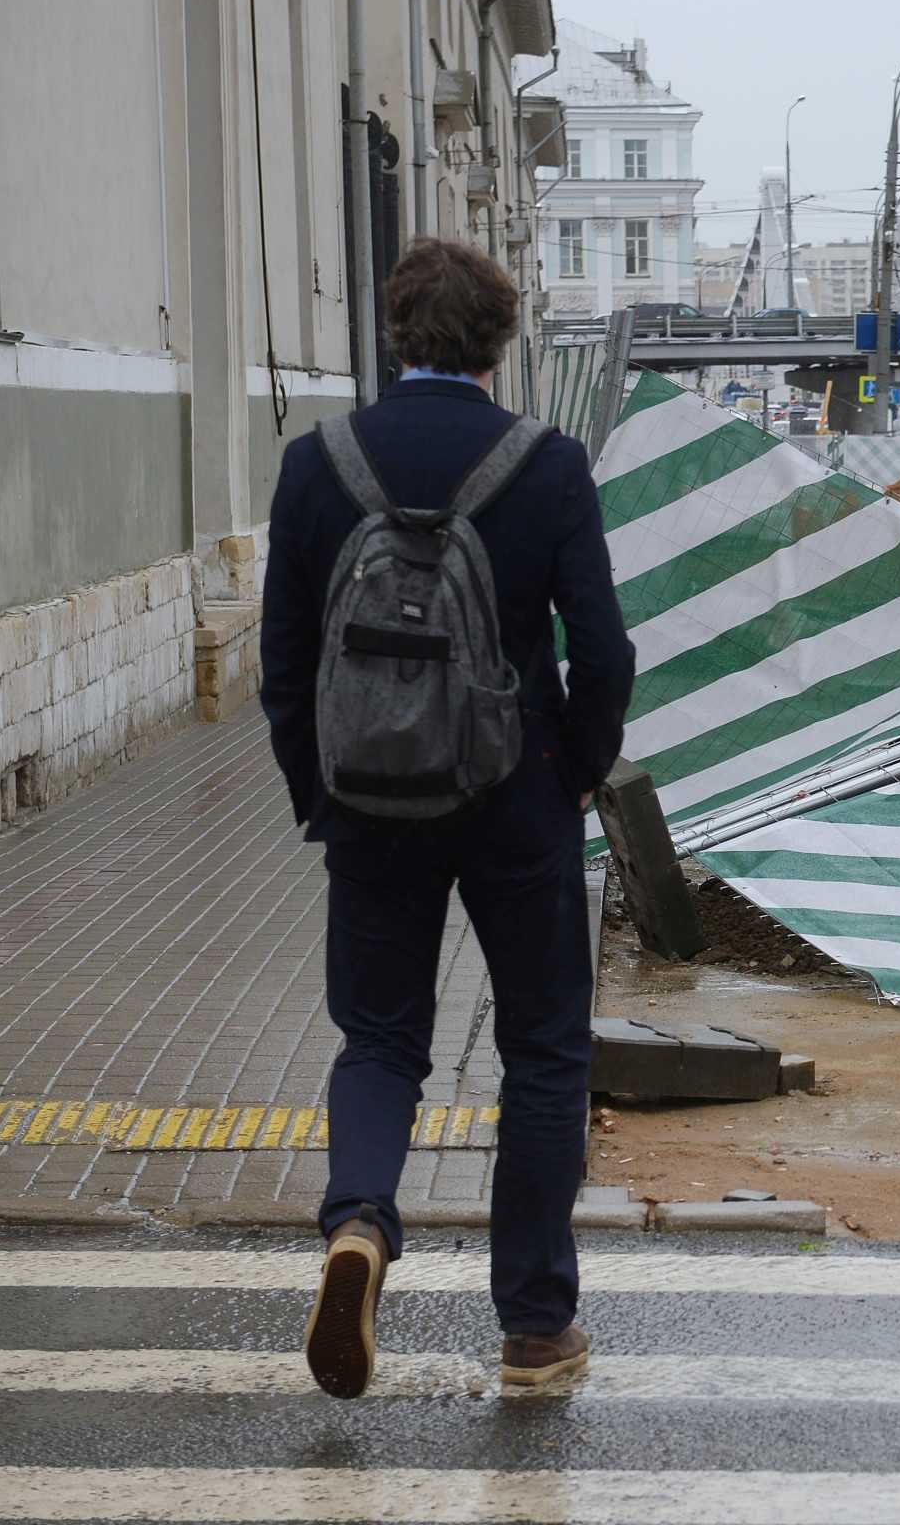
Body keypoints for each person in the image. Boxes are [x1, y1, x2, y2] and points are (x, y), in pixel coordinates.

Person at [260, 238, 635, 1398]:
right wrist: (571, 766)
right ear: (498, 341)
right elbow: (604, 649)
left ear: (396, 334)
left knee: (378, 1040)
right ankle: (533, 1326)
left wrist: (318, 788)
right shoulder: (549, 463)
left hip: (371, 799)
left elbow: (283, 658)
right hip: (514, 794)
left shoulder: (316, 463)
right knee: (541, 1051)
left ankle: (359, 1224)